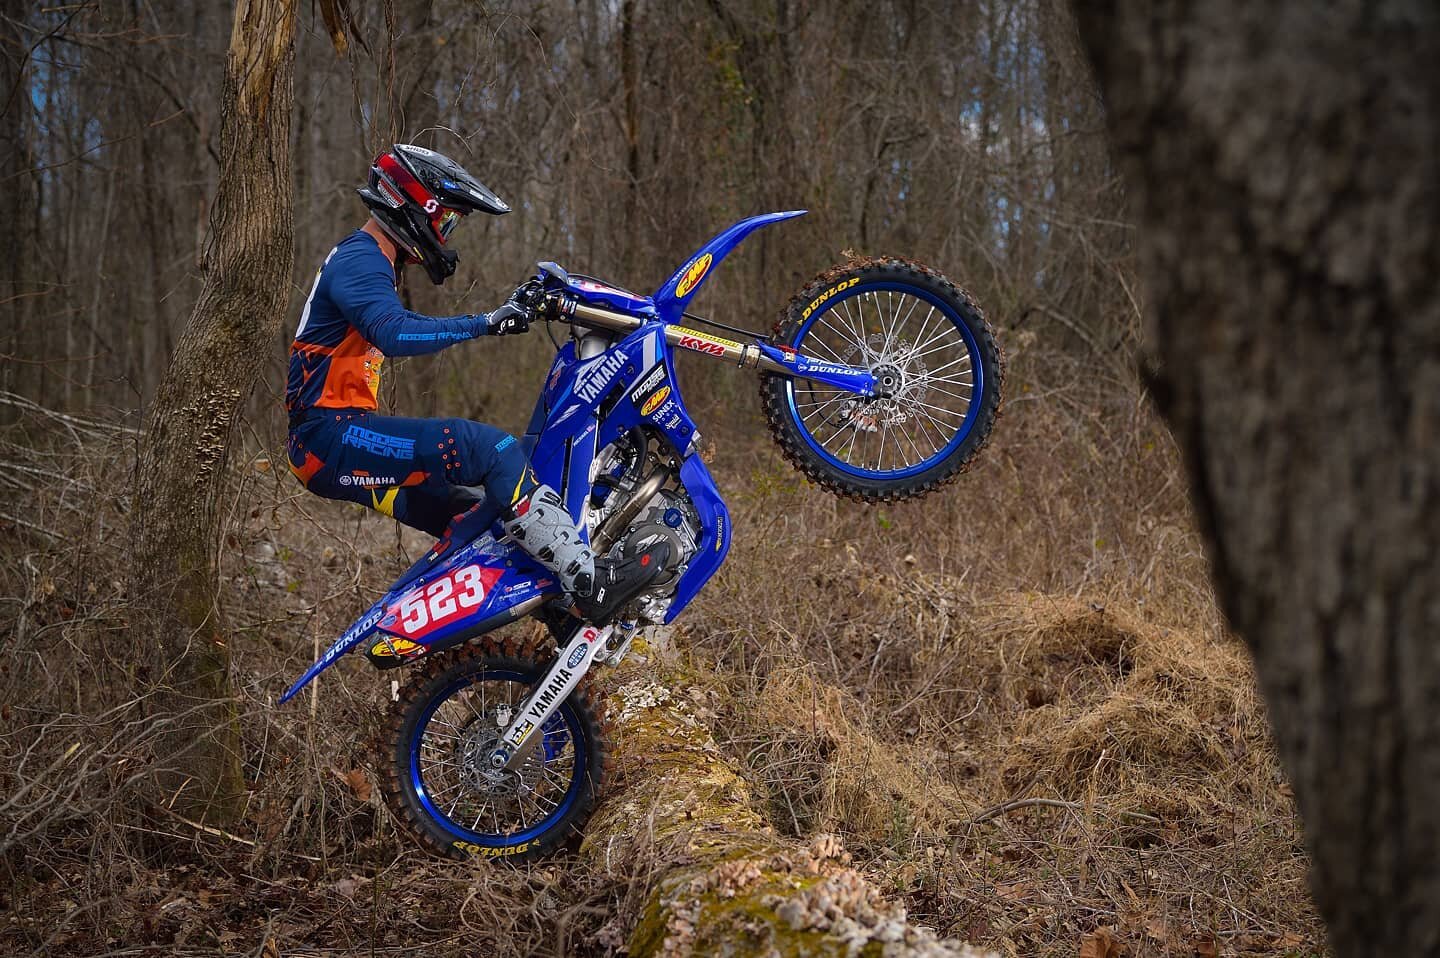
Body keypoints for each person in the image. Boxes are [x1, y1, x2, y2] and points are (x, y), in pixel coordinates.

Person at [285, 143, 664, 624]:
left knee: (481, 519)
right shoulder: (361, 261)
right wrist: (485, 322)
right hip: (328, 437)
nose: (445, 234)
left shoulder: (370, 259)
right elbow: (394, 333)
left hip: (328, 440)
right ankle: (590, 582)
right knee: (493, 450)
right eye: (445, 220)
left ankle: (559, 615)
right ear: (412, 207)